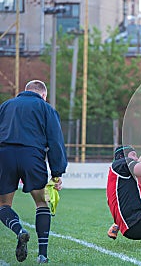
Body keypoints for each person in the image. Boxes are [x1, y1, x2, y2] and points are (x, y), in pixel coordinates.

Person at [0, 80, 67, 263]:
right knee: (41, 203)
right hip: (32, 156)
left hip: (4, 155)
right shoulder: (46, 109)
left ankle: (19, 231)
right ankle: (42, 255)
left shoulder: (5, 106)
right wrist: (57, 173)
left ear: (25, 91)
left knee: (3, 205)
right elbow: (55, 142)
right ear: (43, 95)